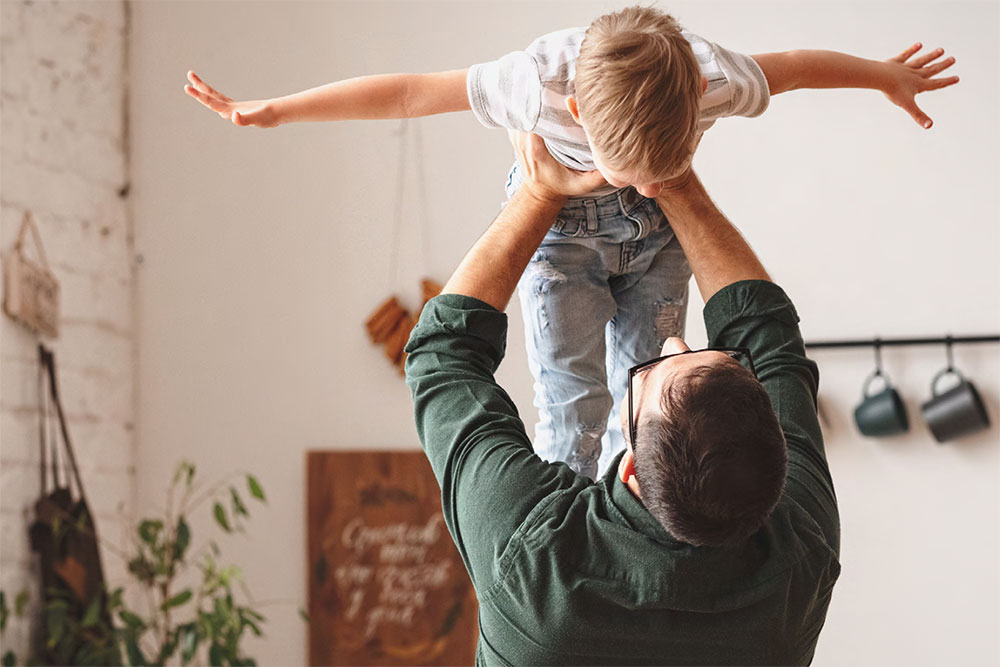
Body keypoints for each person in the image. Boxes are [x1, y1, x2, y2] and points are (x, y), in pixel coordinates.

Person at [185, 5, 957, 478]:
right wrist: (279, 111)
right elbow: (414, 91)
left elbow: (790, 70)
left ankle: (646, 517)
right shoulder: (535, 81)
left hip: (659, 247)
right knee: (571, 404)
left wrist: (883, 76)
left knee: (654, 392)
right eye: (635, 171)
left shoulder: (711, 75)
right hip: (561, 242)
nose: (651, 184)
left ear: (695, 100)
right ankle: (578, 524)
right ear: (580, 112)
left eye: (669, 167)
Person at [404, 130, 840, 665]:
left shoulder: (537, 570)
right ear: (781, 450)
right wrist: (670, 176)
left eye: (654, 372)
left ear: (630, 465)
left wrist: (540, 193)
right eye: (718, 358)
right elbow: (770, 340)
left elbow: (442, 356)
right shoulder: (797, 559)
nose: (676, 340)